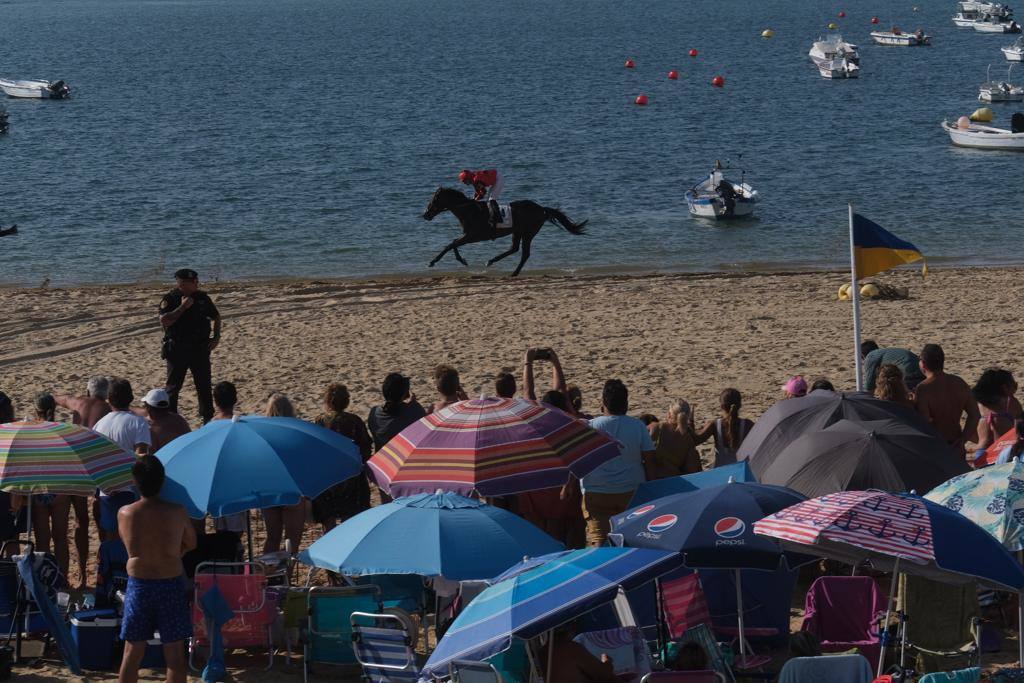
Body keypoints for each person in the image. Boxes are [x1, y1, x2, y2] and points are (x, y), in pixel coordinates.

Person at [117, 455, 196, 683]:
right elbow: (191, 542)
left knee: (132, 653)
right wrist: (174, 552)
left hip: (139, 584)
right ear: (162, 482)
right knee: (174, 656)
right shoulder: (177, 511)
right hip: (169, 581)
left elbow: (127, 543)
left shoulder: (125, 513)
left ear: (135, 481)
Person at [581, 380, 655, 546]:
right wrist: (652, 489)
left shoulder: (591, 426)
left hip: (597, 492)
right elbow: (650, 462)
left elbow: (580, 461)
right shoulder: (638, 426)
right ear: (626, 403)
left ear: (603, 403)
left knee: (599, 542)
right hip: (630, 491)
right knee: (630, 540)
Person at [159, 268, 221, 424]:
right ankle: (171, 420)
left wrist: (216, 336)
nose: (197, 283)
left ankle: (207, 418)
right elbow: (164, 321)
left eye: (196, 280)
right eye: (193, 281)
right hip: (178, 350)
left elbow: (216, 316)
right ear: (182, 283)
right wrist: (183, 307)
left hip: (200, 349)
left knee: (204, 385)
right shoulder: (171, 298)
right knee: (173, 388)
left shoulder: (202, 298)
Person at [93, 378, 150, 541]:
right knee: (133, 538)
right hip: (130, 489)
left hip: (107, 488)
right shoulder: (138, 422)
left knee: (112, 537)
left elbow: (95, 460)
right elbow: (142, 457)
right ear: (131, 398)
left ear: (108, 399)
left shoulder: (99, 425)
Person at [312, 384, 373, 534]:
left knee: (328, 520)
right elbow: (365, 448)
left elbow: (314, 449)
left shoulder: (320, 421)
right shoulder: (355, 421)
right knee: (350, 521)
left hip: (327, 478)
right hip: (351, 475)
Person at [915, 344, 980, 458]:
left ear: (923, 364)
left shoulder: (923, 389)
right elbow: (975, 415)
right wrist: (963, 439)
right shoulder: (959, 382)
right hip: (956, 444)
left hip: (936, 446)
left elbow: (924, 423)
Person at [261, 393, 305, 554]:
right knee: (292, 541)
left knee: (272, 538)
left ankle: (270, 576)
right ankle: (286, 576)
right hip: (292, 489)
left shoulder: (261, 433)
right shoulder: (296, 431)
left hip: (270, 490)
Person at [696, 388, 755, 468]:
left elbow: (697, 440)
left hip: (720, 473)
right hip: (742, 472)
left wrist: (689, 423)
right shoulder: (748, 425)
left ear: (721, 406)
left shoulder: (715, 425)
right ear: (740, 405)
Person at [367, 373, 426, 452]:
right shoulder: (415, 411)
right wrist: (414, 405)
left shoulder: (374, 412)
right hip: (404, 456)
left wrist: (412, 405)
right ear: (404, 394)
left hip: (381, 457)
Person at [543, 624, 618, 682]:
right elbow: (603, 674)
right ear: (570, 630)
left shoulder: (542, 653)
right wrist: (607, 662)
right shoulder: (568, 647)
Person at [972, 368, 1022, 455]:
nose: (1014, 390)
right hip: (1002, 452)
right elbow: (1021, 432)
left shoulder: (978, 404)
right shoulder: (1011, 403)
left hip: (981, 453)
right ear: (1005, 388)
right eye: (1014, 386)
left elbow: (969, 430)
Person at [648, 399, 702, 480]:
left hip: (652, 480)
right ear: (687, 416)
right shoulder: (687, 440)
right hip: (674, 482)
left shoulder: (656, 428)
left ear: (669, 414)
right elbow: (691, 470)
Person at [139, 388, 191, 453]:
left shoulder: (152, 429)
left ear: (149, 408)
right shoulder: (179, 419)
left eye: (145, 405)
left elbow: (151, 455)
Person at [458, 168, 504, 233]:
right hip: (495, 178)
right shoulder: (473, 179)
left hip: (498, 179)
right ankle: (493, 216)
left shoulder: (476, 180)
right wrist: (474, 198)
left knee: (491, 199)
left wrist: (475, 200)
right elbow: (478, 192)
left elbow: (483, 192)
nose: (464, 183)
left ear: (468, 178)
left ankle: (498, 219)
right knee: (489, 201)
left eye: (464, 181)